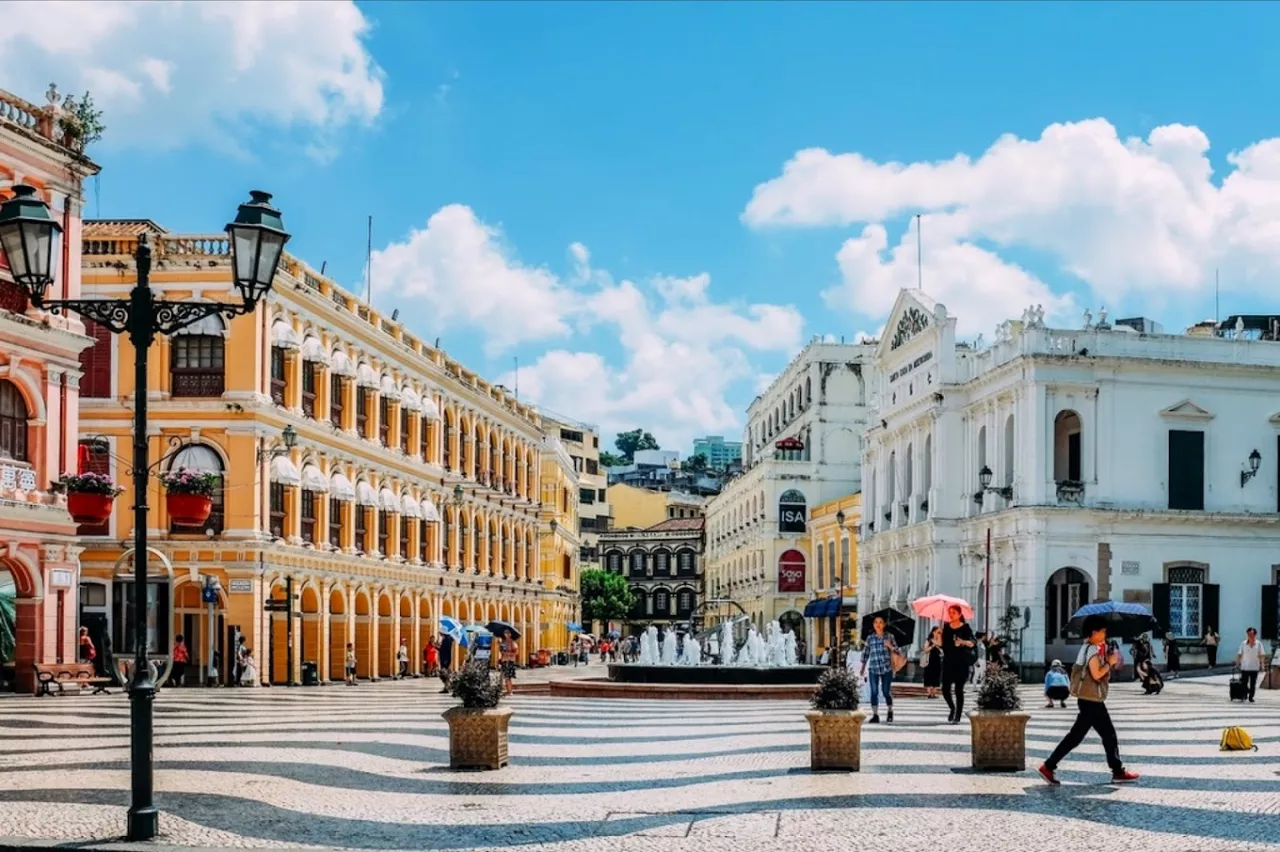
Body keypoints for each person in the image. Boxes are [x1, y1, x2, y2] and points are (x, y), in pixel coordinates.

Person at [1038, 614, 1139, 785]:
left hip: (1089, 700)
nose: (1105, 634)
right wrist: (1110, 662)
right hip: (1091, 700)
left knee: (1080, 736)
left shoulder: (1089, 648)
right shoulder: (1091, 649)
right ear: (1094, 632)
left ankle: (1049, 765)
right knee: (1106, 735)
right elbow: (1096, 673)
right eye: (1103, 631)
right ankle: (1117, 771)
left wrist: (1106, 657)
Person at [859, 616, 898, 724]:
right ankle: (875, 715)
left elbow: (897, 652)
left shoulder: (890, 637)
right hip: (873, 668)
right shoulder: (870, 638)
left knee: (886, 692)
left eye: (881, 622)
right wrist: (862, 668)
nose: (878, 624)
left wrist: (890, 646)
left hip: (887, 668)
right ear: (873, 625)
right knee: (874, 692)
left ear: (884, 624)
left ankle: (890, 710)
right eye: (876, 622)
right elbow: (865, 653)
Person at [941, 605, 976, 724]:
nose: (951, 614)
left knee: (958, 689)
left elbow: (972, 643)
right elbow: (943, 645)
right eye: (949, 612)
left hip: (961, 662)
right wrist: (939, 637)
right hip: (948, 662)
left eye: (954, 612)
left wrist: (962, 642)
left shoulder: (965, 627)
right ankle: (952, 708)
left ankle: (958, 716)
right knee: (945, 689)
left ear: (960, 614)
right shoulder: (946, 627)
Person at [1237, 627, 1264, 703]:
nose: (1250, 636)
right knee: (1244, 683)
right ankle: (1245, 694)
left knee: (1253, 683)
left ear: (1255, 635)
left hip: (1254, 667)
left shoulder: (1259, 644)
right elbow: (1239, 654)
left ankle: (1251, 697)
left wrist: (1262, 665)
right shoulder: (1243, 643)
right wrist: (1237, 663)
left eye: (1252, 634)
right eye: (1249, 634)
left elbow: (1261, 655)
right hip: (1245, 666)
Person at [921, 627, 943, 699]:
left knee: (936, 676)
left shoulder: (939, 639)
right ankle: (929, 693)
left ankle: (934, 693)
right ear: (933, 632)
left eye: (939, 632)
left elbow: (940, 645)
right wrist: (933, 645)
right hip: (929, 660)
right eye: (937, 632)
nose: (938, 633)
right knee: (928, 676)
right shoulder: (928, 640)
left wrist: (939, 637)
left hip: (937, 660)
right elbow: (925, 649)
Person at [499, 629, 519, 696]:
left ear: (510, 634)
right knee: (504, 676)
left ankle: (510, 691)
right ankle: (507, 690)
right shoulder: (503, 642)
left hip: (509, 661)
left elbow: (516, 652)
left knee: (508, 677)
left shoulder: (512, 642)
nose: (506, 634)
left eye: (508, 633)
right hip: (504, 661)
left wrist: (509, 653)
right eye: (505, 633)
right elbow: (501, 651)